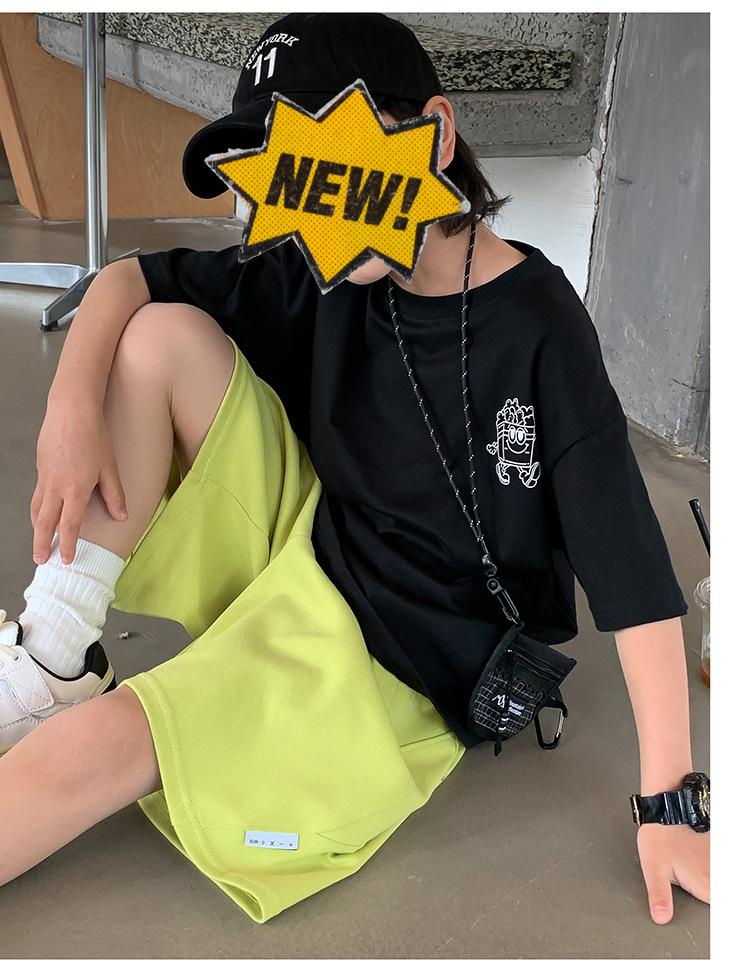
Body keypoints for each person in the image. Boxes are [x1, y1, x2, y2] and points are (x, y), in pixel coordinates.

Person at [0, 13, 709, 927]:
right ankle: (55, 653)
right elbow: (133, 279)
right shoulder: (328, 273)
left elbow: (630, 566)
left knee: (102, 747)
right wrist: (67, 409)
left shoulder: (538, 327)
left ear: (436, 134)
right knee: (157, 336)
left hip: (399, 655)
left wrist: (671, 803)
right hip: (317, 545)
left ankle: (98, 701)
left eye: (330, 166)